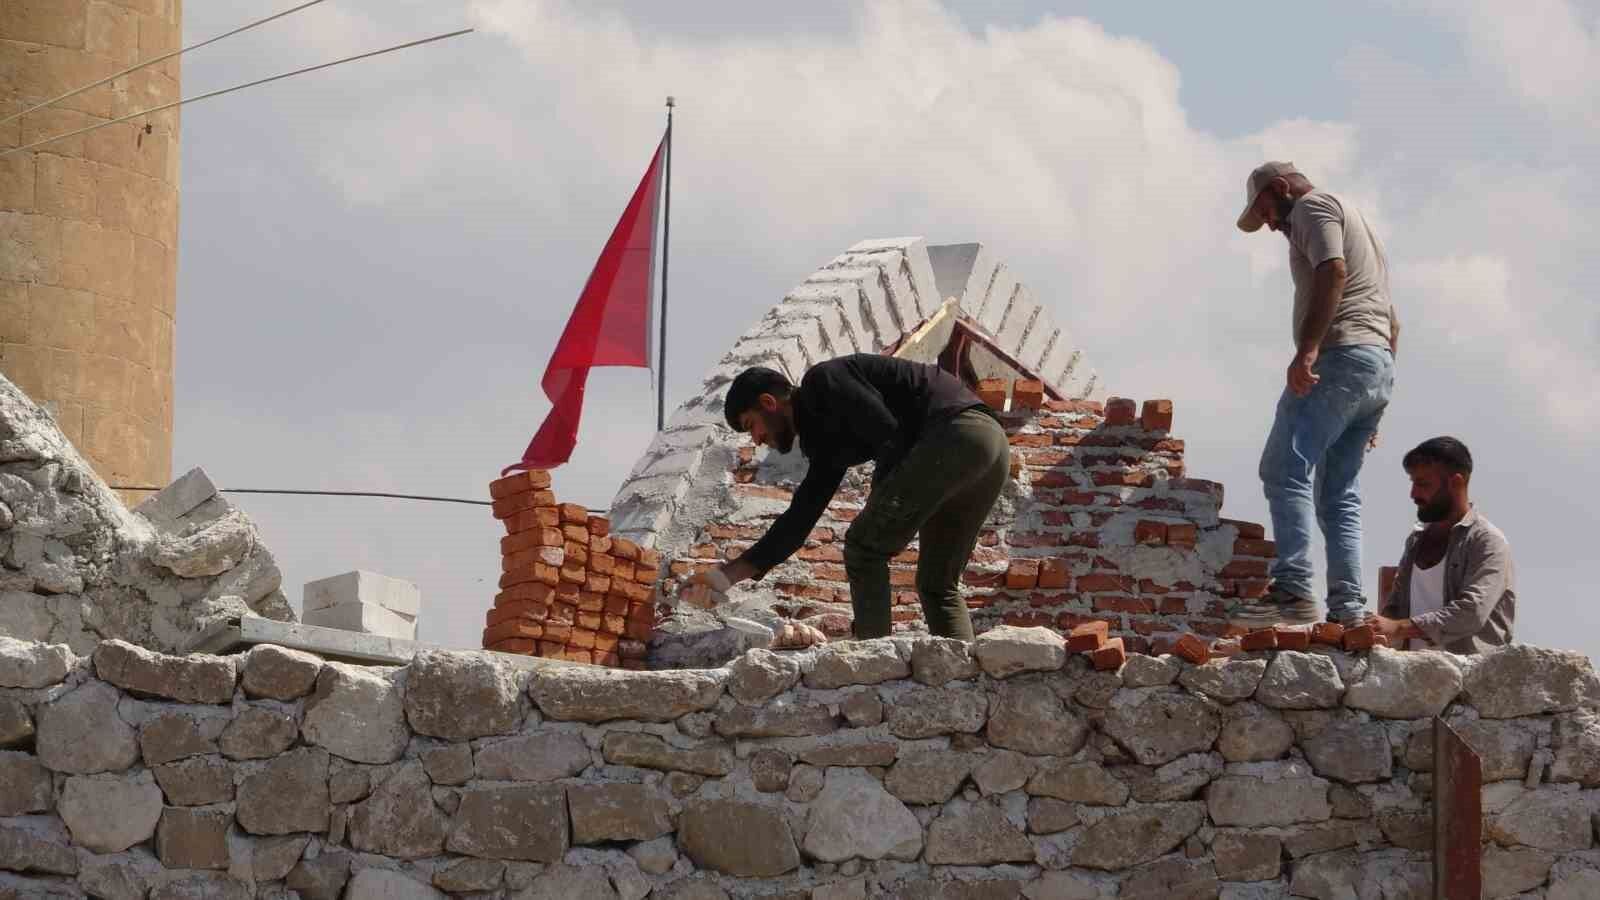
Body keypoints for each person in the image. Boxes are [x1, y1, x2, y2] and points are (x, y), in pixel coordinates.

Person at [675, 354, 1010, 641]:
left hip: (954, 435)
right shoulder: (824, 438)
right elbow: (800, 517)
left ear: (768, 403)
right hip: (990, 448)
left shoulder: (824, 382)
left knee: (864, 548)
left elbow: (890, 437)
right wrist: (723, 578)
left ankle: (874, 663)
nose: (757, 439)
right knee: (938, 584)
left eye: (752, 425)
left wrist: (877, 511)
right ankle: (960, 679)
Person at [1231, 161, 1400, 628]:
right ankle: (1347, 611)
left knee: (1284, 468)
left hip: (1341, 357)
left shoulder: (1312, 207)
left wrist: (1307, 352)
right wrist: (1377, 402)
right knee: (1338, 493)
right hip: (1376, 364)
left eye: (1265, 210)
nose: (1269, 224)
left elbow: (1333, 271)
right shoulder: (1356, 219)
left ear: (1281, 188)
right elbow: (1393, 320)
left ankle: (1293, 591)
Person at [1373, 437, 1515, 653]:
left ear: (1456, 483)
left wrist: (1399, 627)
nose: (1414, 494)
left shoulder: (1487, 541)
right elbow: (1394, 612)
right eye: (1412, 483)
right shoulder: (1416, 540)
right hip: (1411, 679)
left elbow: (1471, 613)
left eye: (1423, 484)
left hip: (1468, 681)